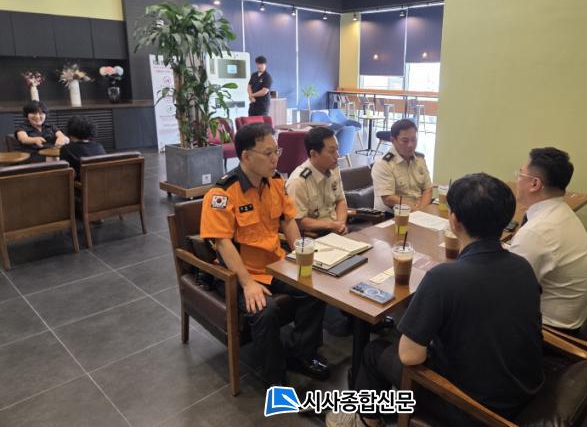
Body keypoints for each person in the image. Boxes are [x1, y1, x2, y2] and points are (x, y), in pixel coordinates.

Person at [326, 173, 544, 427]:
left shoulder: (444, 277)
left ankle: (366, 421)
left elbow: (409, 356)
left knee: (374, 352)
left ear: (455, 220)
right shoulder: (522, 267)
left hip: (473, 409)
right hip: (523, 393)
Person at [200, 123, 329, 386]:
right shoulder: (222, 193)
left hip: (274, 264)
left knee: (314, 289)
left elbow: (288, 221)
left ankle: (301, 354)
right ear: (246, 156)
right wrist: (247, 283)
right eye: (268, 153)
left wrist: (301, 254)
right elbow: (222, 244)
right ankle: (275, 379)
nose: (275, 159)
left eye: (276, 151)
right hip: (240, 272)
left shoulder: (276, 183)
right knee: (265, 311)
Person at [508, 147, 587, 331]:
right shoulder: (563, 213)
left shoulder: (536, 232)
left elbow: (506, 291)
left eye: (520, 174)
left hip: (550, 332)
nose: (517, 180)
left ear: (534, 184)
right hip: (576, 316)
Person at [286, 127, 348, 236]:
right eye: (332, 151)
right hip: (316, 235)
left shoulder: (334, 169)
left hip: (337, 230)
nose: (337, 155)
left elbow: (341, 201)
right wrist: (331, 226)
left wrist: (341, 225)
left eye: (337, 149)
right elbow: (298, 221)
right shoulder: (298, 181)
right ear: (314, 154)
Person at [371, 118, 432, 213]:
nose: (410, 145)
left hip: (419, 211)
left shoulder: (420, 159)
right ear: (393, 140)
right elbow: (388, 199)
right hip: (393, 215)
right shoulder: (383, 164)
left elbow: (427, 189)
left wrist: (422, 211)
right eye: (405, 140)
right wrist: (416, 211)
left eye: (413, 139)